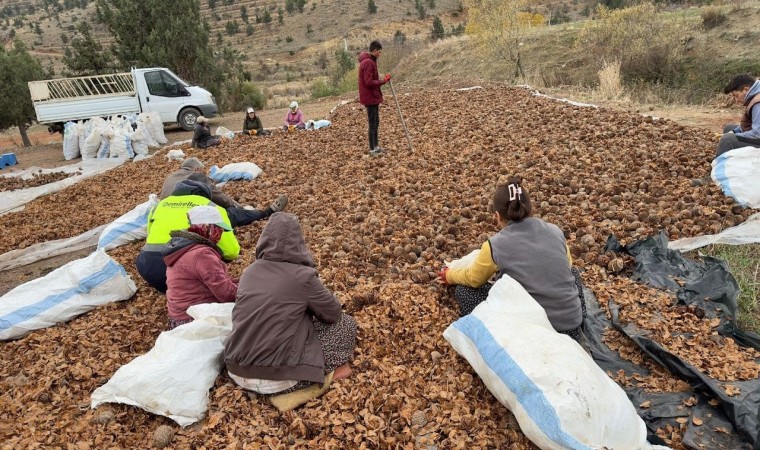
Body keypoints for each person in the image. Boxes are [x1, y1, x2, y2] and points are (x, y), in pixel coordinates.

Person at [438, 177, 587, 343]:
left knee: (464, 292)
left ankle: (492, 336)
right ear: (531, 209)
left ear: (497, 216)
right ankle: (583, 318)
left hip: (531, 332)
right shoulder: (556, 232)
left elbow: (474, 279)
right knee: (573, 272)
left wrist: (449, 276)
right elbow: (567, 266)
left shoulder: (495, 245)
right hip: (571, 327)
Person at [224, 212, 357, 396]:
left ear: (264, 239)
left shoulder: (249, 272)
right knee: (346, 325)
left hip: (237, 371)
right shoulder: (303, 276)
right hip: (278, 379)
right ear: (298, 242)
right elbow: (333, 313)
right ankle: (319, 380)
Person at [137, 180, 240, 293]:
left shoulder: (158, 206)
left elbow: (149, 234)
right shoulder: (210, 206)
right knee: (215, 249)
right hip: (185, 271)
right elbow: (231, 252)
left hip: (148, 267)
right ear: (204, 195)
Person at [163, 205, 239, 329]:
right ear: (207, 227)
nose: (220, 234)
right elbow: (226, 294)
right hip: (193, 320)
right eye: (218, 229)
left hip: (178, 318)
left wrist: (244, 281)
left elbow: (216, 282)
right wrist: (252, 292)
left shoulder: (184, 247)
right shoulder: (203, 255)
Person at [158, 157, 287, 228]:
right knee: (232, 213)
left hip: (165, 219)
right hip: (190, 220)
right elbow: (220, 198)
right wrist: (238, 207)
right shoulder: (197, 177)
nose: (204, 173)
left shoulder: (170, 177)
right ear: (197, 169)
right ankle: (266, 212)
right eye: (203, 170)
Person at [358, 40, 391, 156]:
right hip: (370, 97)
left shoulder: (370, 61)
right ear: (375, 50)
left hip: (372, 96)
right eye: (379, 52)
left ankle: (376, 147)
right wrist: (383, 81)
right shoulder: (368, 62)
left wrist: (382, 80)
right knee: (373, 123)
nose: (380, 54)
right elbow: (369, 82)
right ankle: (372, 149)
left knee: (376, 122)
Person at [717, 74, 760, 157]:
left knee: (727, 140)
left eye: (736, 96)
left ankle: (719, 167)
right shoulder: (755, 95)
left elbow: (757, 134)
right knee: (729, 128)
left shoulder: (758, 104)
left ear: (745, 90)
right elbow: (749, 125)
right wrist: (734, 132)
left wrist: (733, 136)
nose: (736, 100)